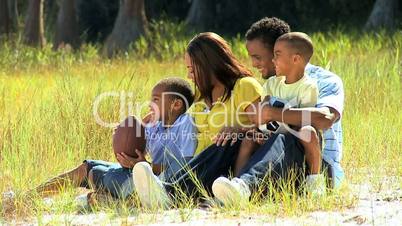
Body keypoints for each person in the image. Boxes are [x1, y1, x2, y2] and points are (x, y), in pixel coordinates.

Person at [212, 17, 345, 206]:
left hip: (315, 164)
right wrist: (242, 129)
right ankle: (175, 187)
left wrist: (273, 114)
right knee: (238, 137)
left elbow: (324, 119)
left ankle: (244, 186)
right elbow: (264, 120)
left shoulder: (323, 81)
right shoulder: (274, 84)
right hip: (283, 161)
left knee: (287, 135)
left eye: (258, 57)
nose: (254, 64)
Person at [131, 32, 263, 208]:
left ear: (210, 65)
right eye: (188, 70)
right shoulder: (201, 94)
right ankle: (164, 191)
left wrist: (239, 128)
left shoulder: (244, 86)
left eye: (192, 70)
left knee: (225, 142)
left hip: (229, 161)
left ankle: (168, 194)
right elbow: (176, 113)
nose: (189, 76)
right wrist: (153, 118)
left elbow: (265, 127)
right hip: (199, 164)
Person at [23, 77, 197, 203]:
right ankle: (27, 197)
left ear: (176, 104)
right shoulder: (156, 125)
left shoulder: (185, 124)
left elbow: (183, 168)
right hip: (144, 172)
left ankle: (119, 201)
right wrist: (131, 133)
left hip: (162, 184)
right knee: (88, 167)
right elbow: (136, 150)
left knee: (102, 175)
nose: (150, 104)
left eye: (156, 100)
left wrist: (145, 165)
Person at [234, 32, 325, 195]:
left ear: (296, 59)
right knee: (249, 139)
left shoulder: (308, 87)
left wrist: (274, 116)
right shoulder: (271, 83)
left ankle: (315, 180)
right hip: (272, 133)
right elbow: (263, 112)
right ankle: (237, 182)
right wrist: (260, 131)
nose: (273, 60)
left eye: (277, 55)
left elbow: (302, 120)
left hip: (295, 139)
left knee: (309, 132)